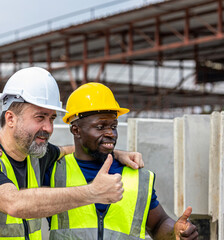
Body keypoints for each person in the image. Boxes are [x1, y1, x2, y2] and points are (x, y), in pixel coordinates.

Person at [0, 67, 142, 240]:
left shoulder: (36, 157)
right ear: (11, 118)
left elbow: (68, 150)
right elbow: (14, 204)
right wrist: (92, 192)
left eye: (52, 118)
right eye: (40, 117)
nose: (48, 127)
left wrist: (114, 153)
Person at [44, 82, 198, 239]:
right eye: (100, 127)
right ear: (76, 130)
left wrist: (175, 232)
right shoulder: (54, 172)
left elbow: (158, 223)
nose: (111, 133)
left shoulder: (137, 177)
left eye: (113, 126)